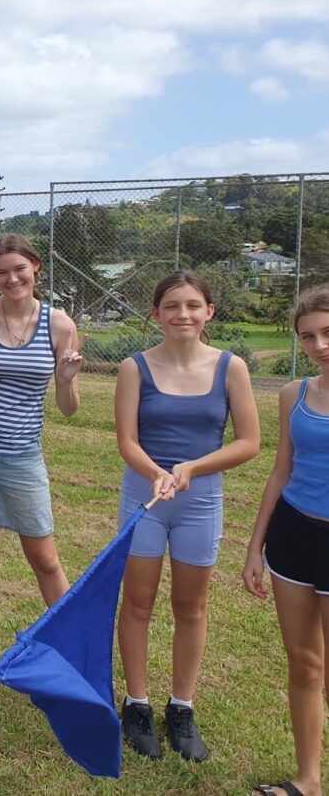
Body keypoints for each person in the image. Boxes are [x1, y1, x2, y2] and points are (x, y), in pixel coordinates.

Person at [114, 271, 259, 761]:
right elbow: (127, 442)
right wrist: (157, 472)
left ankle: (182, 706)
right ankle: (136, 703)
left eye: (193, 305)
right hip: (146, 498)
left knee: (190, 607)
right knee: (137, 602)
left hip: (200, 502)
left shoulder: (230, 367)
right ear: (155, 314)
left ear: (209, 312)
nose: (183, 314)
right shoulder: (135, 367)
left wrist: (193, 468)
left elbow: (249, 442)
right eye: (171, 306)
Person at [0, 235, 88, 679]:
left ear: (36, 269)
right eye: (1, 273)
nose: (11, 279)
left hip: (21, 454)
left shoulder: (59, 324)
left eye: (19, 269)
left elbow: (68, 408)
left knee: (44, 556)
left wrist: (65, 380)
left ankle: (72, 643)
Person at [243, 285, 329, 796]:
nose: (321, 345)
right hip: (293, 536)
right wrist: (256, 547)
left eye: (328, 333)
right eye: (309, 337)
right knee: (303, 661)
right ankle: (307, 780)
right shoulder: (293, 395)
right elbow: (280, 472)